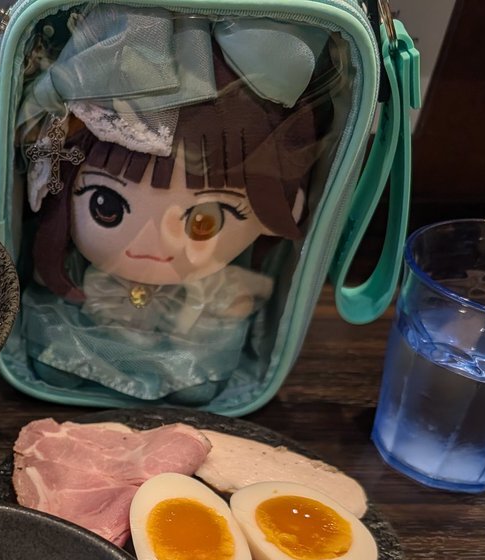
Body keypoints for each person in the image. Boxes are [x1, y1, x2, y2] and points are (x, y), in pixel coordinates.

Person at [18, 7, 329, 404]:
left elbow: (232, 300)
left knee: (197, 379)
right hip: (88, 330)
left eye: (204, 221)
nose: (153, 243)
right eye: (106, 206)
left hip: (183, 344)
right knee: (58, 355)